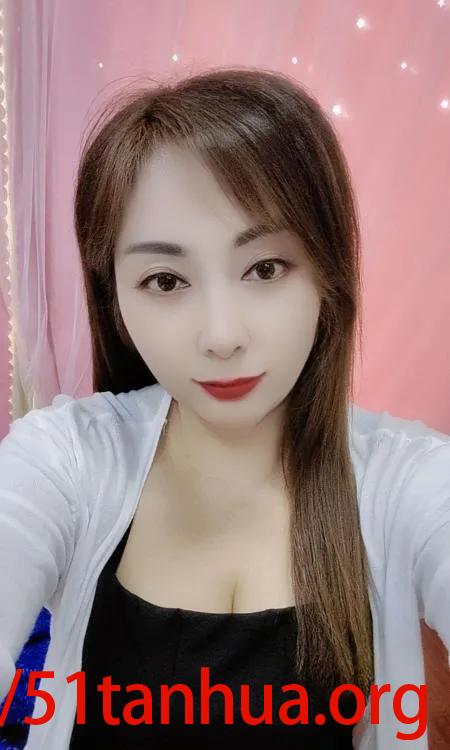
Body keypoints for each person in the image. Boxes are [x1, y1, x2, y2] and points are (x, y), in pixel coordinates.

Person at [0, 67, 448, 750]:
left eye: (265, 269)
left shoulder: (408, 484)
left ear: (327, 273)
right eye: (165, 280)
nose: (221, 336)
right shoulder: (65, 461)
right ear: (114, 296)